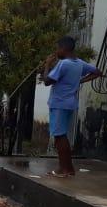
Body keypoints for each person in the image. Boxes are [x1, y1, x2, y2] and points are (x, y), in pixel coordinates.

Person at [42, 36, 101, 177]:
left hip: (59, 104)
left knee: (59, 136)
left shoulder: (64, 64)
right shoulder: (79, 63)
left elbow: (47, 81)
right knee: (62, 135)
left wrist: (47, 65)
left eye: (58, 48)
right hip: (70, 104)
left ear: (63, 49)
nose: (57, 52)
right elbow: (97, 72)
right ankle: (69, 169)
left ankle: (63, 169)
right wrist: (80, 80)